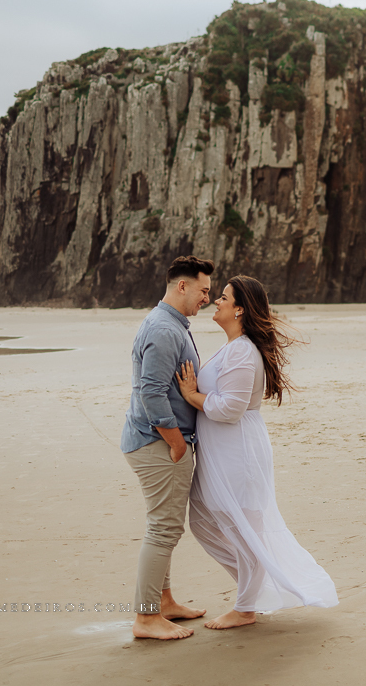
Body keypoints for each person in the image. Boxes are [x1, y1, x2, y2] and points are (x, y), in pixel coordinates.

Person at [176, 275, 338, 629]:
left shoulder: (244, 352)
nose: (216, 301)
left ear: (239, 310)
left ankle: (246, 607)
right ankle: (255, 589)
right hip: (222, 452)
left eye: (223, 297)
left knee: (245, 527)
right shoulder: (233, 347)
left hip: (239, 452)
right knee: (204, 522)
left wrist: (192, 397)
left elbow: (231, 408)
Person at [121, 255, 214, 640]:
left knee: (165, 527)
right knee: (163, 529)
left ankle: (164, 602)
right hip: (157, 443)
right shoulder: (164, 329)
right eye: (204, 290)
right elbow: (151, 393)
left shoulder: (172, 324)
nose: (206, 298)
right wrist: (176, 443)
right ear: (182, 286)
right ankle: (145, 618)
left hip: (157, 441)